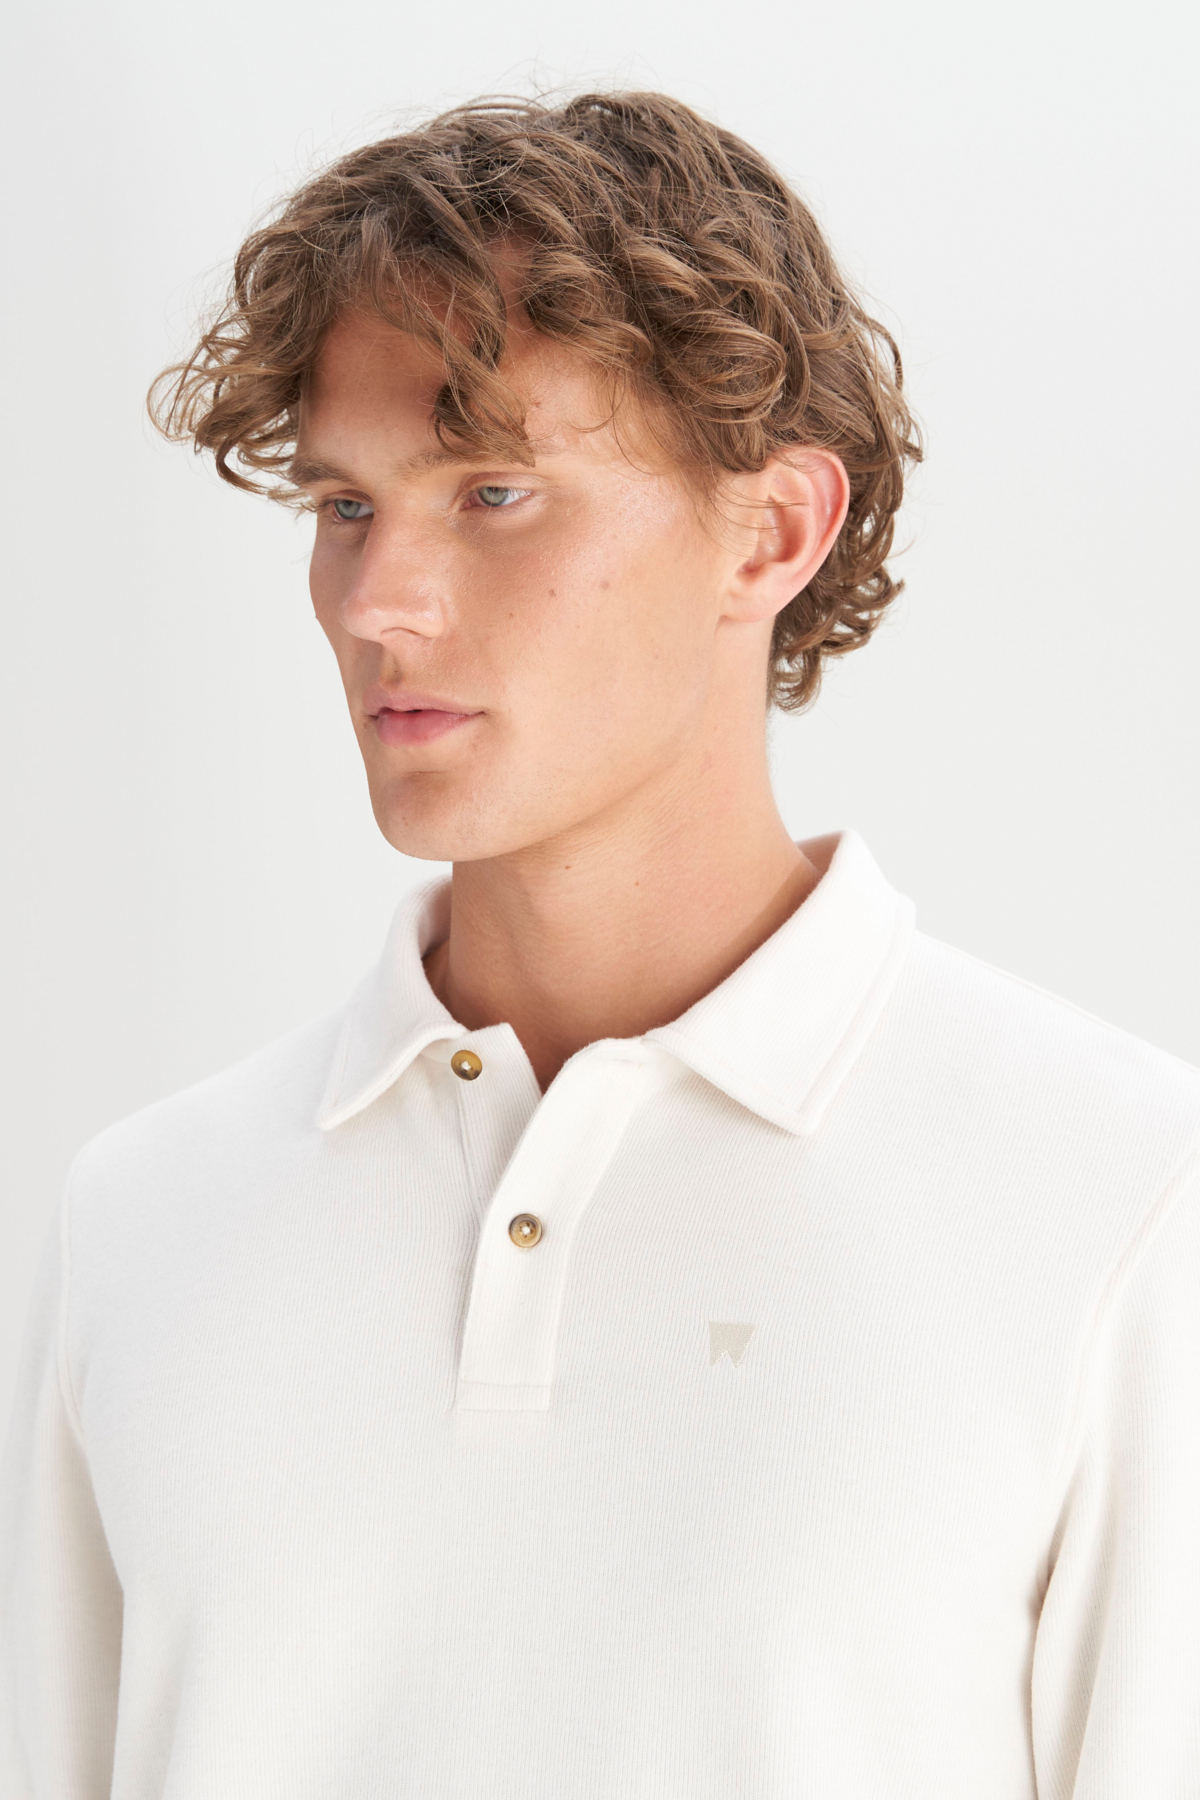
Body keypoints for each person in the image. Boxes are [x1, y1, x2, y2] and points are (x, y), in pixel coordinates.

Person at [2, 88, 1197, 1800]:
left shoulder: (1119, 1197)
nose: (376, 603)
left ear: (771, 533)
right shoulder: (141, 1219)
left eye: (492, 490)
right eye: (345, 506)